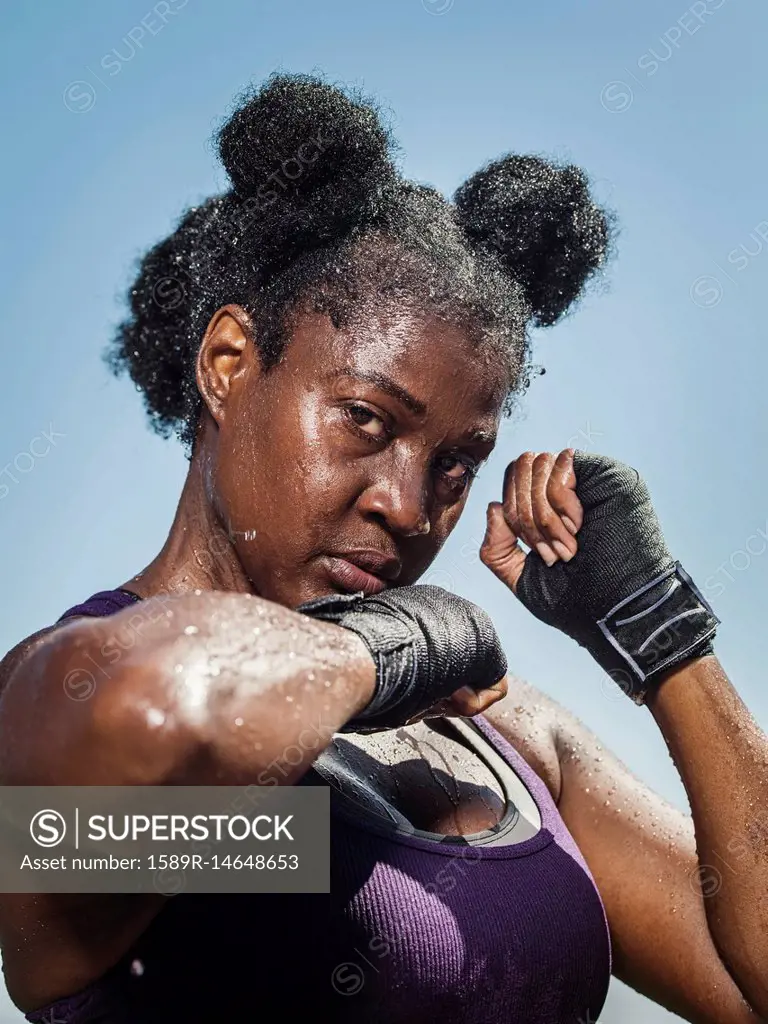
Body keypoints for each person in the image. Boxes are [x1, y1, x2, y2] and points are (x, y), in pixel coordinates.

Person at [0, 72, 765, 1024]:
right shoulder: (59, 692)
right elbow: (169, 723)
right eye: (363, 418)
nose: (410, 507)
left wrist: (663, 632)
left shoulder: (508, 739)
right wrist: (397, 643)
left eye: (456, 464)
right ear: (229, 363)